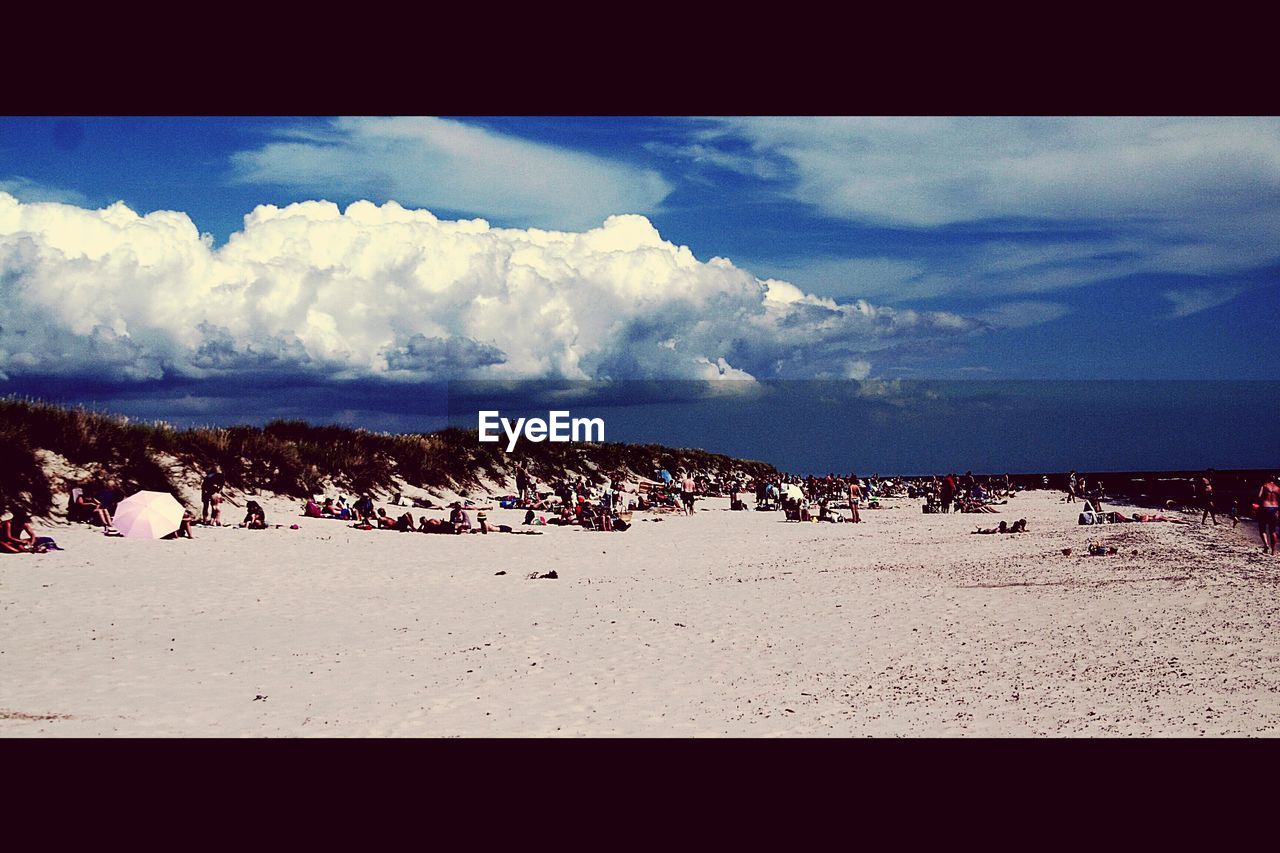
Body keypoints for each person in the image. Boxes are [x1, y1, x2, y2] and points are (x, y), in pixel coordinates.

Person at [1258, 474, 1279, 556]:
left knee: (1262, 527)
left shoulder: (1264, 486)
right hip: (1274, 508)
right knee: (1273, 530)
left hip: (1265, 507)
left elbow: (1259, 496)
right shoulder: (1278, 488)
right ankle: (1273, 551)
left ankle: (1266, 545)